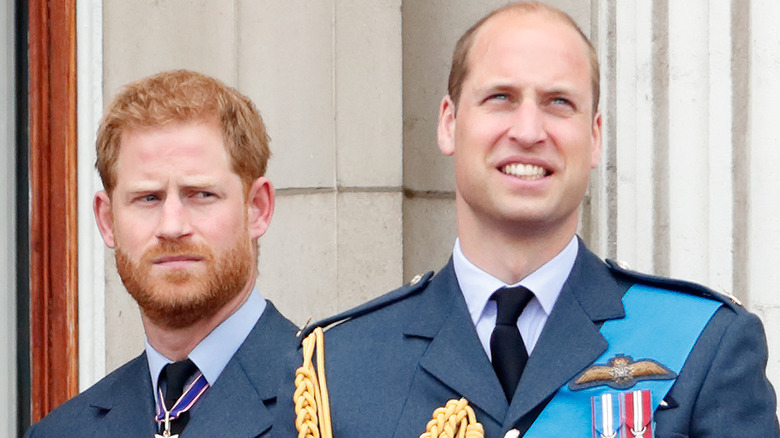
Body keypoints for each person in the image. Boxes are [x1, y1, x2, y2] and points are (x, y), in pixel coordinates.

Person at [286, 2, 779, 437]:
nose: (528, 131)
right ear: (449, 123)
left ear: (595, 136)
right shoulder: (340, 367)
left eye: (558, 102)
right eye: (500, 97)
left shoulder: (704, 344)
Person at [24, 70, 298, 437]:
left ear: (257, 209)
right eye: (148, 198)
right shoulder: (60, 433)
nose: (172, 226)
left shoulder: (337, 402)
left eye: (201, 194)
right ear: (107, 221)